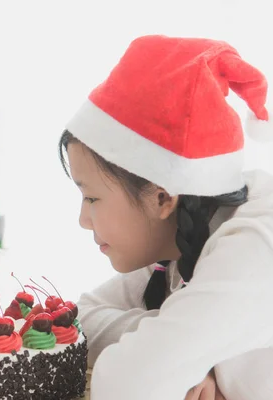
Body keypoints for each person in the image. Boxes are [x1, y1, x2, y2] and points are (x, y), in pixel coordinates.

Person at [60, 35, 273, 400]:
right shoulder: (183, 234)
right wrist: (180, 348)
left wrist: (171, 350)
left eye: (91, 197)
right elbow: (76, 319)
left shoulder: (253, 245)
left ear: (162, 197)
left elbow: (123, 384)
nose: (83, 219)